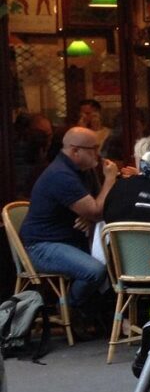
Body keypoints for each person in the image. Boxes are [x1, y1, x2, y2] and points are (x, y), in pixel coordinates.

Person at [18, 126, 118, 323]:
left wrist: (89, 216)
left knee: (115, 262)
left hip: (70, 241)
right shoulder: (60, 175)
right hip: (42, 245)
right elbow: (97, 209)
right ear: (75, 151)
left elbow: (97, 206)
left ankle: (95, 315)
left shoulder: (84, 170)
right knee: (94, 270)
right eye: (93, 149)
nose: (98, 154)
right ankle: (69, 308)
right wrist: (110, 179)